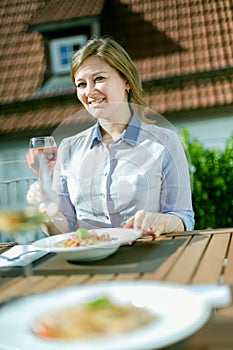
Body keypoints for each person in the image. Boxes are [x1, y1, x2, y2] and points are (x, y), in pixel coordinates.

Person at [49, 36, 194, 236]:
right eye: (81, 84)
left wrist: (163, 221)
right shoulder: (68, 149)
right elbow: (61, 229)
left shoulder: (165, 142)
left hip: (148, 257)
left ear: (126, 80)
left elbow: (184, 217)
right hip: (90, 261)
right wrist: (44, 209)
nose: (90, 91)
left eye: (99, 79)